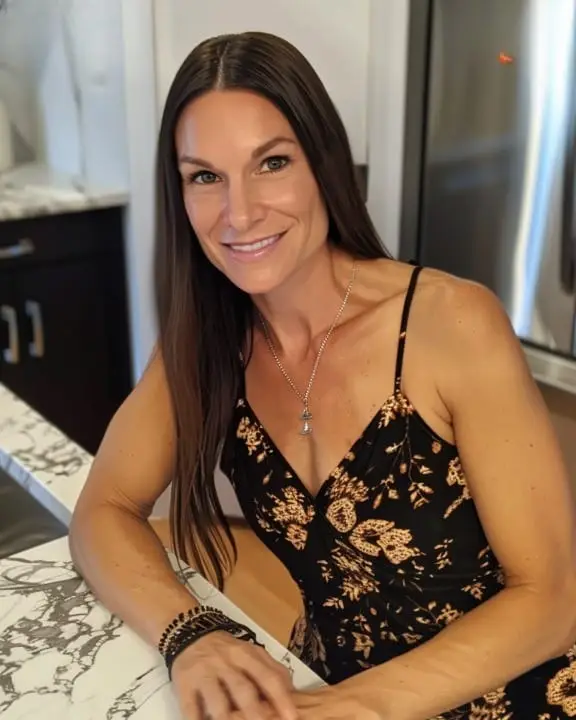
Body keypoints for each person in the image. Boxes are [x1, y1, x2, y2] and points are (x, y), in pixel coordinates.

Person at [69, 30, 576, 720]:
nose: (239, 213)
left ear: (323, 165)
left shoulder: (449, 324)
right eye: (205, 177)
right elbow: (101, 512)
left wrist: (351, 708)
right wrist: (192, 635)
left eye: (272, 163)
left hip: (513, 698)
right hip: (324, 686)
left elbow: (553, 599)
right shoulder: (207, 345)